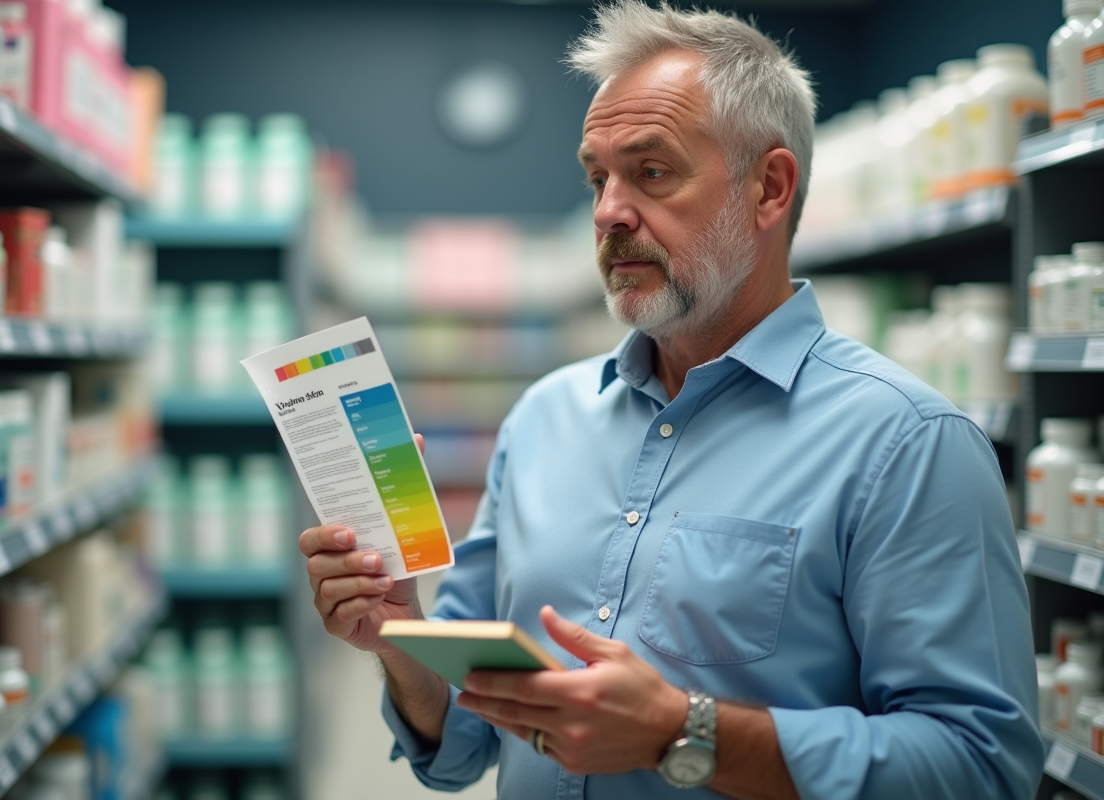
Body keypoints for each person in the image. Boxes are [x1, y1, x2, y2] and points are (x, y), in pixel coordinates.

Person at [299, 2, 1043, 798]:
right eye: (597, 176)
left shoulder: (908, 445)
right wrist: (398, 633)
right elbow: (466, 738)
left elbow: (980, 767)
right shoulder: (545, 419)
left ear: (770, 188)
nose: (609, 211)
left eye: (651, 172)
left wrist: (680, 733)